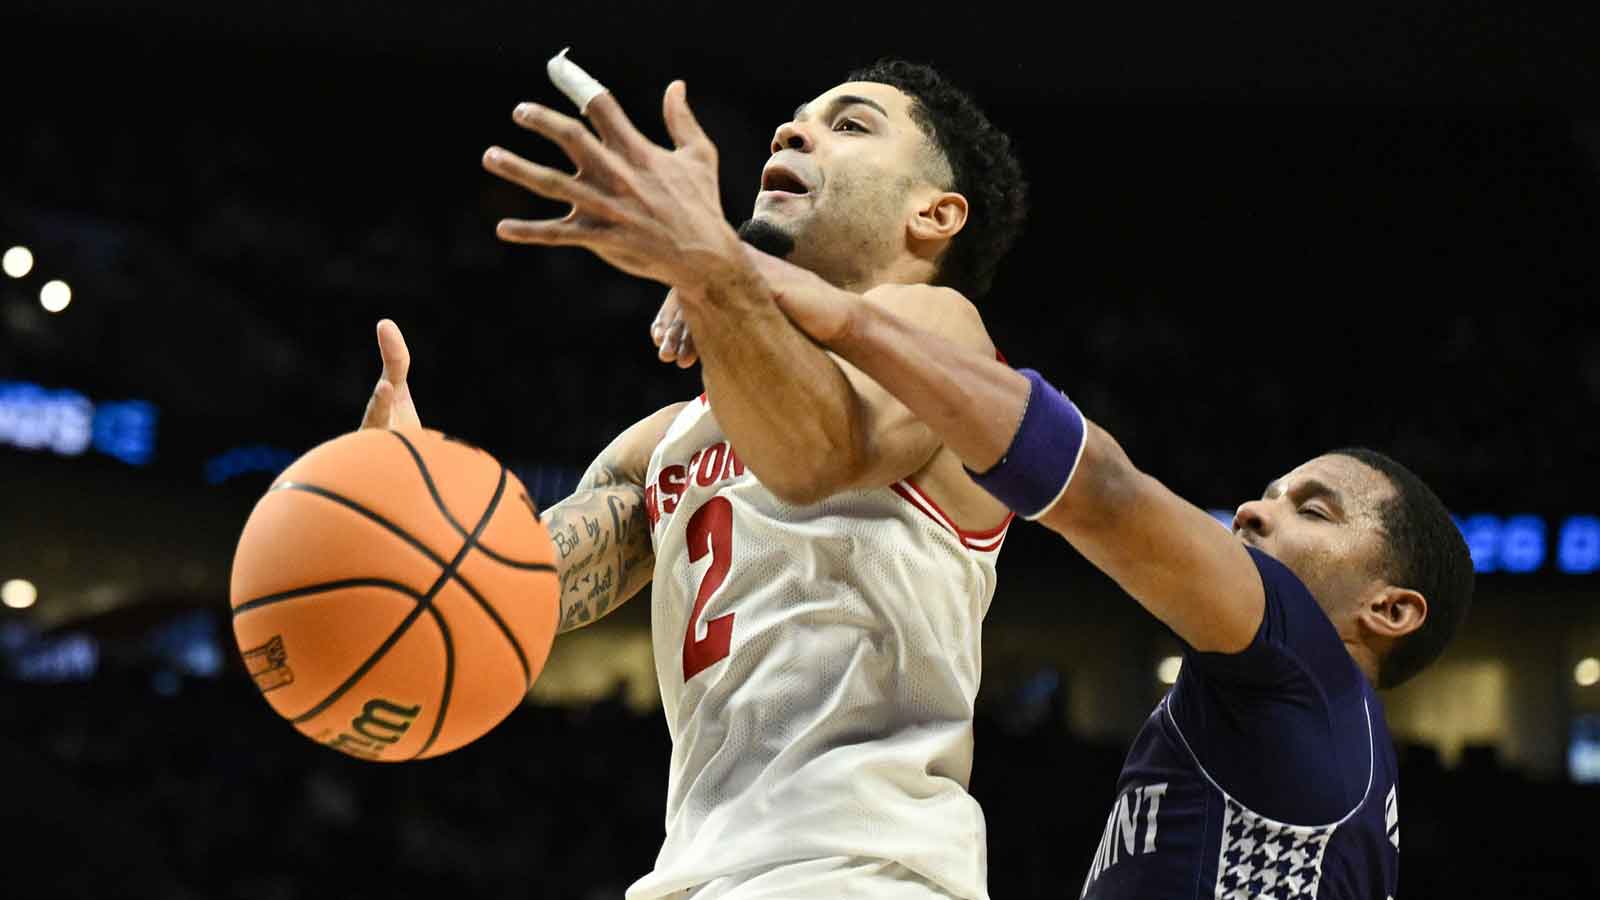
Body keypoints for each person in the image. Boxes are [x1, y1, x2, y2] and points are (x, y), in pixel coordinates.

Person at [366, 54, 1028, 898]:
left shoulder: (947, 338)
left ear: (935, 214)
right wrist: (406, 509)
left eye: (851, 124)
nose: (796, 130)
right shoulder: (665, 441)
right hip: (697, 873)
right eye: (799, 117)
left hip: (862, 871)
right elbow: (501, 597)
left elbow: (825, 452)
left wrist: (717, 273)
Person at [720, 252, 1476, 898]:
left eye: (1314, 511)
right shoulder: (1296, 733)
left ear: (1391, 611)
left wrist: (821, 309)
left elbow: (1102, 491)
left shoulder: (1307, 674)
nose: (1251, 510)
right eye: (1267, 492)